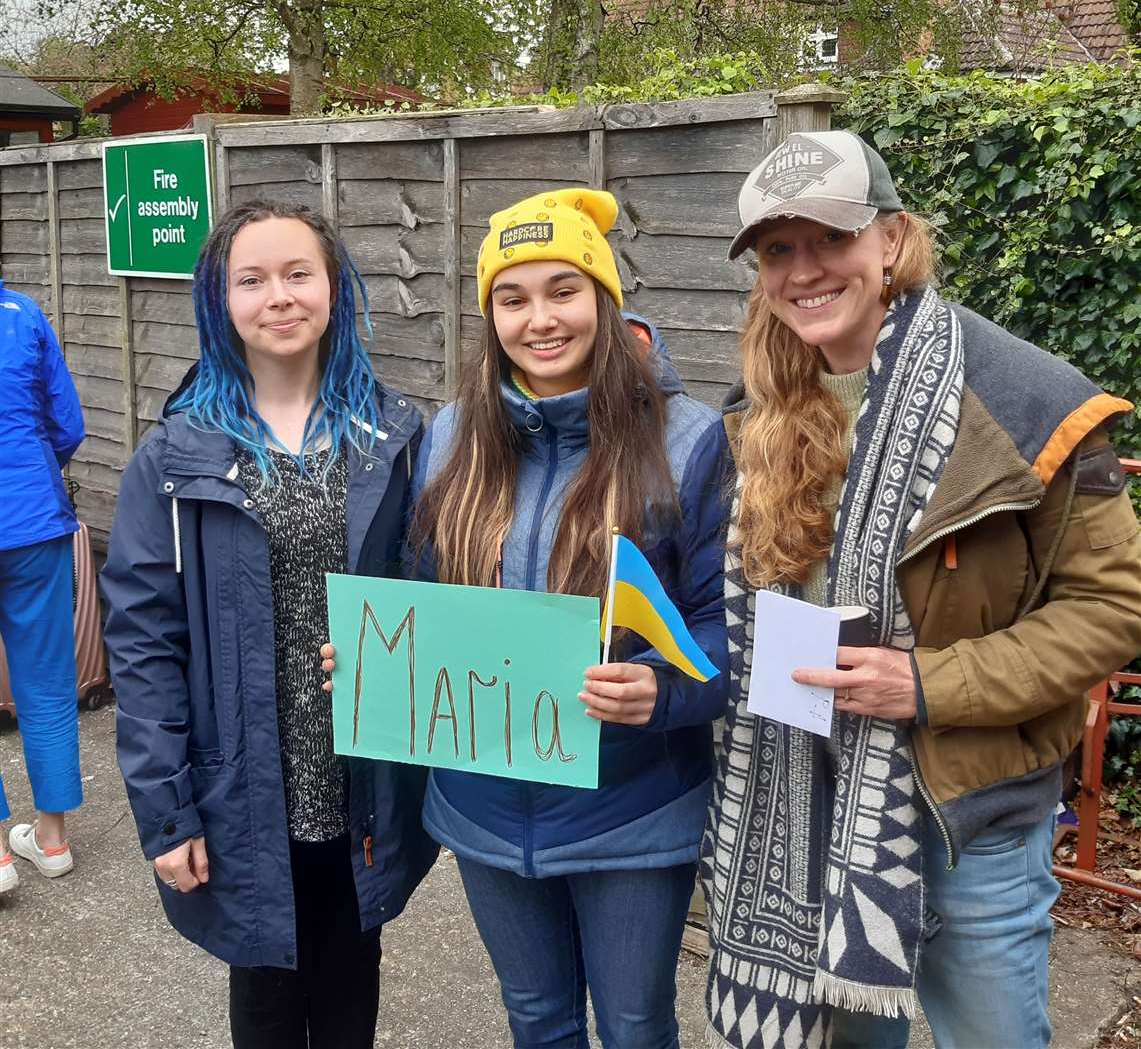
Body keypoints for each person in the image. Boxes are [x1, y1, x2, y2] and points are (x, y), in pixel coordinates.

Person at [701, 129, 1141, 1049]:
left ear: (893, 239)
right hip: (806, 809)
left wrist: (928, 685)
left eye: (830, 238)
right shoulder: (759, 411)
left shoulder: (1025, 399)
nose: (804, 270)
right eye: (777, 250)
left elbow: (1113, 608)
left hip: (963, 826)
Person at [325, 187, 730, 1048]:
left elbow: (726, 632)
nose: (539, 319)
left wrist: (659, 693)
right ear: (488, 317)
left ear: (604, 300)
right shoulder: (447, 439)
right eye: (511, 298)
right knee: (537, 1021)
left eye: (562, 291)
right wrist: (373, 661)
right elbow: (421, 596)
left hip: (633, 809)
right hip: (481, 809)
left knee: (633, 1026)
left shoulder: (689, 441)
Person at [101, 200, 437, 1048]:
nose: (278, 297)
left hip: (361, 786)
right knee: (267, 1003)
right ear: (220, 301)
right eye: (251, 279)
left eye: (298, 274)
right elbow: (144, 646)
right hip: (243, 793)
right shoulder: (176, 457)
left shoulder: (393, 440)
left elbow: (441, 598)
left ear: (335, 289)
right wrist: (166, 813)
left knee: (353, 983)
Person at [0, 282, 85, 894]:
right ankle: (51, 840)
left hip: (30, 516)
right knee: (47, 680)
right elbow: (69, 425)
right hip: (33, 523)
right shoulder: (23, 314)